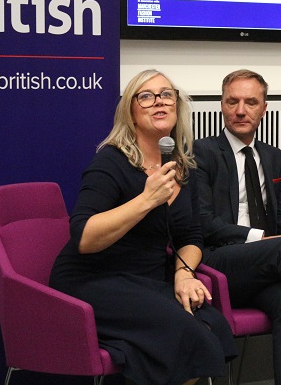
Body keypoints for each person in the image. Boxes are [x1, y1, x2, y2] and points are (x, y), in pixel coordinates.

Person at [49, 69, 237, 385]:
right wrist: (147, 200)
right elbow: (83, 236)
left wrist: (183, 274)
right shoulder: (111, 162)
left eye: (166, 95)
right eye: (146, 96)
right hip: (94, 279)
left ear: (177, 107)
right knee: (185, 333)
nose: (158, 102)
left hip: (145, 280)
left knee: (210, 323)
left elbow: (191, 237)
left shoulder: (182, 166)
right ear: (131, 113)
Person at [193, 69, 281, 385]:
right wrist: (263, 238)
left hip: (263, 267)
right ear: (221, 105)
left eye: (250, 102)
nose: (240, 110)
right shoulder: (202, 153)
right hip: (218, 263)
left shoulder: (272, 156)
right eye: (232, 101)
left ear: (264, 108)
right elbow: (203, 223)